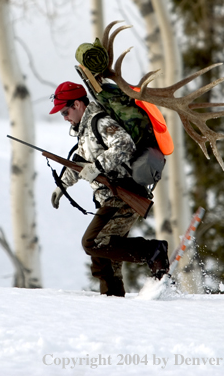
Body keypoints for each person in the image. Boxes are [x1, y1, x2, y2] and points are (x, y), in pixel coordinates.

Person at [49, 81, 169, 297]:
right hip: (109, 198)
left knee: (93, 242)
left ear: (77, 104)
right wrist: (61, 186)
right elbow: (79, 164)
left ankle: (153, 251)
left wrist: (96, 168)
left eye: (65, 111)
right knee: (104, 260)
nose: (65, 117)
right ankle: (112, 303)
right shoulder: (84, 132)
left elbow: (124, 145)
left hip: (123, 194)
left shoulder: (100, 122)